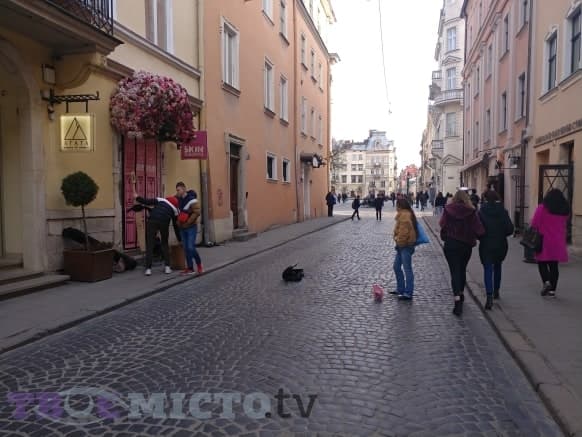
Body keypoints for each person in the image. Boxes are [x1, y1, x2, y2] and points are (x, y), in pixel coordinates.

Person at [439, 190, 485, 316]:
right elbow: (479, 229)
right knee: (462, 269)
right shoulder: (471, 211)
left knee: (454, 271)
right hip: (465, 245)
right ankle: (461, 292)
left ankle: (457, 299)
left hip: (451, 244)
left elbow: (442, 224)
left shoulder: (448, 209)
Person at [478, 190, 514, 309]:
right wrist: (501, 233)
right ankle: (496, 291)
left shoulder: (481, 212)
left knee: (488, 268)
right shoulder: (503, 211)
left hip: (486, 244)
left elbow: (477, 229)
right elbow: (510, 229)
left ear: (485, 199)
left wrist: (481, 237)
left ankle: (489, 296)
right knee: (498, 266)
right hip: (500, 243)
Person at [530, 189, 570, 297]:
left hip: (544, 240)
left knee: (542, 262)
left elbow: (534, 224)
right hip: (558, 241)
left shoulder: (542, 208)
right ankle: (552, 290)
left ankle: (546, 282)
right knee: (554, 265)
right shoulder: (564, 210)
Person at [135, 194, 181, 276]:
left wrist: (137, 197)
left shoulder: (161, 200)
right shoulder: (175, 210)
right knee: (164, 243)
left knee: (150, 244)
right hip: (164, 223)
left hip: (152, 221)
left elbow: (146, 201)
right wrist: (179, 239)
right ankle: (167, 267)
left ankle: (148, 269)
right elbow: (176, 226)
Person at [391, 198, 418, 300]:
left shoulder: (404, 216)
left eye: (397, 205)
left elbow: (404, 232)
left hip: (405, 245)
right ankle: (400, 289)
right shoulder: (404, 214)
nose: (396, 207)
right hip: (402, 245)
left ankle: (408, 292)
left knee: (407, 269)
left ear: (400, 206)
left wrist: (398, 241)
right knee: (396, 266)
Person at [176, 182, 204, 275]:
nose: (177, 192)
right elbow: (179, 212)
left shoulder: (192, 199)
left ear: (184, 189)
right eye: (177, 190)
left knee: (190, 247)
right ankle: (190, 268)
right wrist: (178, 222)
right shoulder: (179, 199)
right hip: (182, 227)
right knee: (185, 248)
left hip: (191, 227)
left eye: (179, 190)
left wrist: (188, 221)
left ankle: (199, 265)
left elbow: (197, 212)